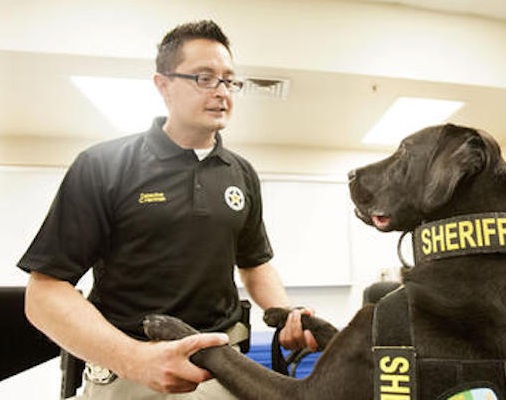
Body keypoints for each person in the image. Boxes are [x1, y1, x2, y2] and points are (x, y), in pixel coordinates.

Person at [18, 19, 316, 399]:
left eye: (229, 81)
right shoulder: (103, 165)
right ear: (163, 85)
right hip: (129, 374)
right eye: (204, 78)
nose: (222, 92)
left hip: (221, 371)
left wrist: (285, 312)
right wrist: (135, 360)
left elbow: (254, 263)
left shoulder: (241, 173)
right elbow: (44, 294)